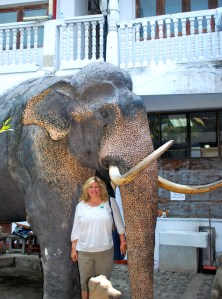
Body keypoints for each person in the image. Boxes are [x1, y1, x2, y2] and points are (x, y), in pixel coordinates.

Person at [71, 176, 127, 299]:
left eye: (97, 187)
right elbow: (76, 228)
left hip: (105, 251)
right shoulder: (81, 206)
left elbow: (119, 223)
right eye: (91, 187)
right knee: (85, 285)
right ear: (87, 189)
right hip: (85, 252)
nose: (94, 190)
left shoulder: (110, 202)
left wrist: (123, 242)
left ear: (101, 188)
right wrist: (74, 248)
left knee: (103, 285)